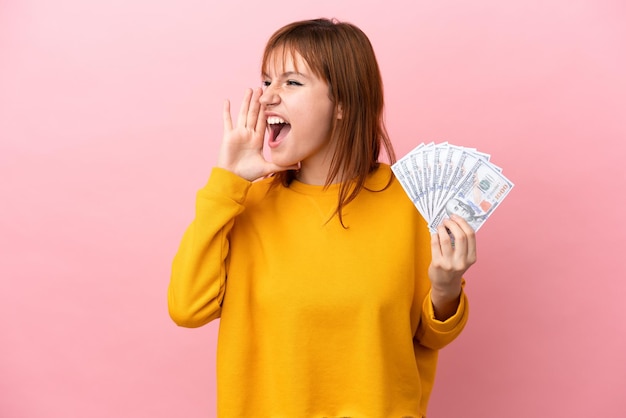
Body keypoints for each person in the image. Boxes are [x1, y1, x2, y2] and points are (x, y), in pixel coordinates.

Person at [168, 18, 477, 418]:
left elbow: (432, 334)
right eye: (266, 82)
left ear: (343, 104)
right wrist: (226, 181)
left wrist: (447, 286)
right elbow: (186, 309)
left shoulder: (413, 202)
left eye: (291, 83)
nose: (266, 98)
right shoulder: (245, 204)